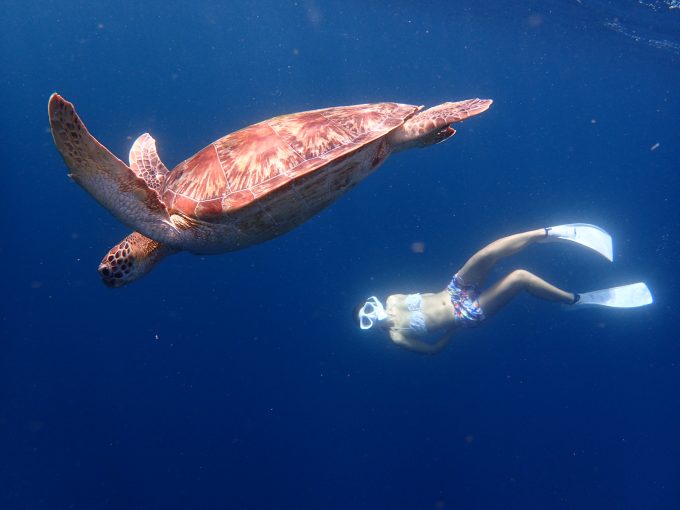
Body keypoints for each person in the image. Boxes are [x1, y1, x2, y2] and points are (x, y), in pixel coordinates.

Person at [354, 224, 653, 354]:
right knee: (520, 277)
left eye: (368, 309)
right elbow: (431, 351)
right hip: (466, 313)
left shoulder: (393, 299)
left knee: (486, 254)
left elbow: (429, 296)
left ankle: (544, 234)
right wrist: (453, 328)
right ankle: (574, 301)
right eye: (367, 320)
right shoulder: (397, 337)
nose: (373, 314)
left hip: (453, 291)